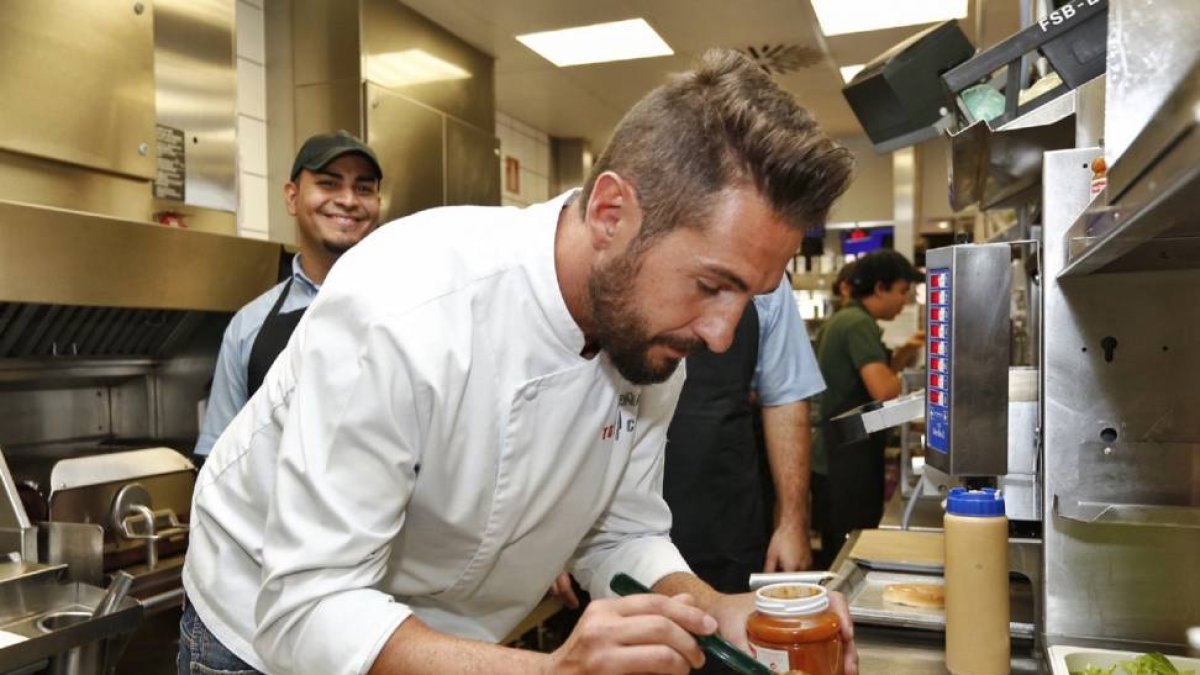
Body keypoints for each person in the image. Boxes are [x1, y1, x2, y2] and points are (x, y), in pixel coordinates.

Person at [180, 49, 856, 675]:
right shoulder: (403, 307)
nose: (720, 334)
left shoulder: (651, 338)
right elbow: (310, 606)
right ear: (613, 212)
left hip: (436, 636)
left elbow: (619, 530)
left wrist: (714, 608)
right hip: (260, 629)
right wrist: (554, 670)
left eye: (749, 296)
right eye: (712, 284)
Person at [193, 130, 383, 461]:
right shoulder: (249, 326)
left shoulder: (412, 309)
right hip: (276, 513)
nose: (349, 200)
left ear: (377, 204)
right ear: (292, 197)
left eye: (363, 188)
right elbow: (219, 462)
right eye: (329, 183)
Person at [662, 274, 823, 607]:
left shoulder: (767, 275)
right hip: (609, 519)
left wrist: (793, 521)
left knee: (728, 645)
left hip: (723, 513)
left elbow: (786, 397)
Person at [811, 249, 923, 565]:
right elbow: (884, 389)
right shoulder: (857, 323)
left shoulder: (850, 319)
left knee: (840, 545)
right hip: (845, 456)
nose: (905, 302)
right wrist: (928, 386)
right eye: (902, 291)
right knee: (847, 552)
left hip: (843, 452)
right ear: (879, 288)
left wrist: (902, 356)